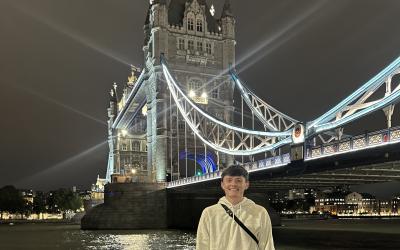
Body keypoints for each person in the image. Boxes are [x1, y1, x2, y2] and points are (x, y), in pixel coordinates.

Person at [196, 165, 275, 250]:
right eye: (229, 180)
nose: (233, 184)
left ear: (247, 184)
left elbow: (267, 245)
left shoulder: (260, 212)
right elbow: (202, 245)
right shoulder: (209, 213)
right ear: (222, 184)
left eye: (238, 180)